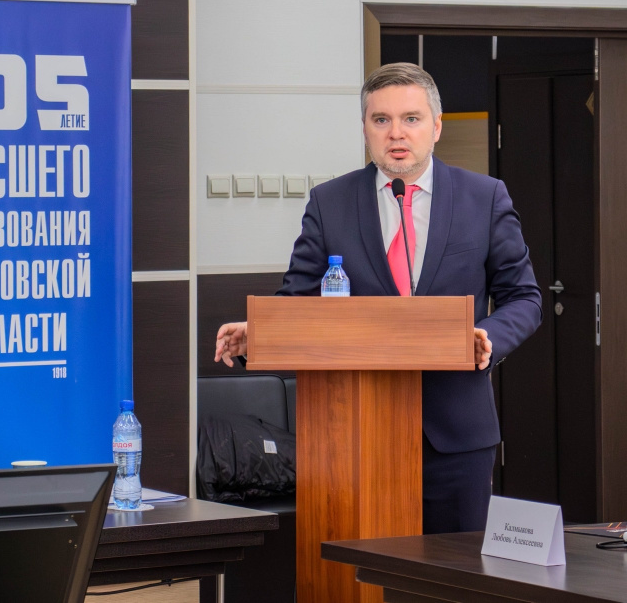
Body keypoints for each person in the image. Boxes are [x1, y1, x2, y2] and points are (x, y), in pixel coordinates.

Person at [214, 62, 541, 533]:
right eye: (381, 120)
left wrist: (488, 337)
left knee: (455, 570)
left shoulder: (484, 197)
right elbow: (297, 302)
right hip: (354, 435)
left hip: (455, 435)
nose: (396, 133)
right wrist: (261, 334)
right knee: (362, 569)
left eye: (411, 119)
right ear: (365, 129)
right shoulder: (330, 202)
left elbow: (524, 298)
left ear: (436, 127)